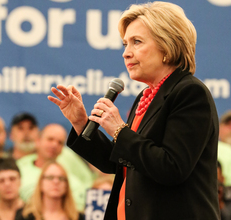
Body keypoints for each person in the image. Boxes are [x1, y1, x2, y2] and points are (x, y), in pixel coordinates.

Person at [48, 2, 219, 219]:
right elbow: (120, 162)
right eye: (125, 44)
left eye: (136, 42)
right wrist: (81, 123)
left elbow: (172, 167)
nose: (126, 53)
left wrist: (119, 129)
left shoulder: (190, 93)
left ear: (167, 46)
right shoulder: (146, 97)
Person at [17, 123, 93, 212]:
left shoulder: (70, 176)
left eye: (60, 142)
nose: (54, 145)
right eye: (50, 139)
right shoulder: (20, 166)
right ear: (37, 141)